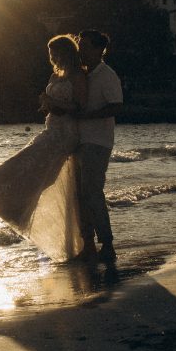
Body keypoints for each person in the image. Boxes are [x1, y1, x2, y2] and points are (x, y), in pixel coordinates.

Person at [0, 35, 87, 260]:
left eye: (55, 53)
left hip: (66, 134)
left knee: (35, 168)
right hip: (51, 128)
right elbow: (56, 106)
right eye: (50, 53)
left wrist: (54, 102)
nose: (52, 57)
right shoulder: (55, 75)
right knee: (33, 168)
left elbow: (80, 108)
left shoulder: (78, 75)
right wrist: (47, 104)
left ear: (66, 52)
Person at [73, 30, 122, 264]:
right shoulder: (83, 74)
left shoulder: (107, 75)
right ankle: (89, 244)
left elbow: (116, 106)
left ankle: (108, 244)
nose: (79, 50)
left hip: (98, 141)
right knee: (81, 195)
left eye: (83, 46)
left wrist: (89, 116)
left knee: (92, 192)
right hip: (80, 141)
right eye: (79, 46)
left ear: (98, 49)